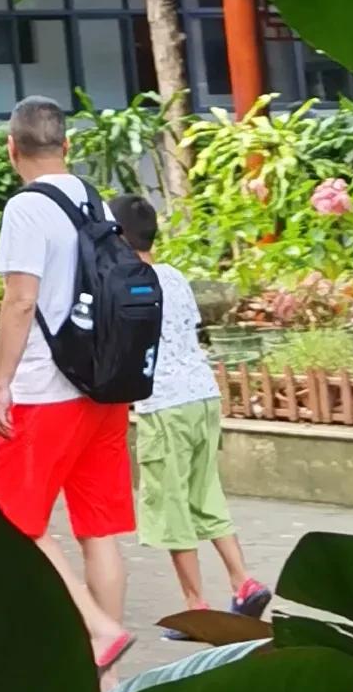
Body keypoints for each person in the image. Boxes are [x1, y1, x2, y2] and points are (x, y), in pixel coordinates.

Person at [0, 96, 137, 671]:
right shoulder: (91, 198)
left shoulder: (26, 207)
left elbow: (21, 300)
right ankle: (101, 683)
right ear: (66, 146)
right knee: (98, 529)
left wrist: (2, 385)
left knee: (8, 521)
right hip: (103, 385)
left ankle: (98, 631)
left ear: (12, 149)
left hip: (47, 391)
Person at [112, 193, 270, 617]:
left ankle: (194, 606)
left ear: (116, 237)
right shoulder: (174, 276)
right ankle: (243, 581)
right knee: (206, 493)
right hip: (203, 396)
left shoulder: (125, 283)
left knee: (170, 504)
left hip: (163, 405)